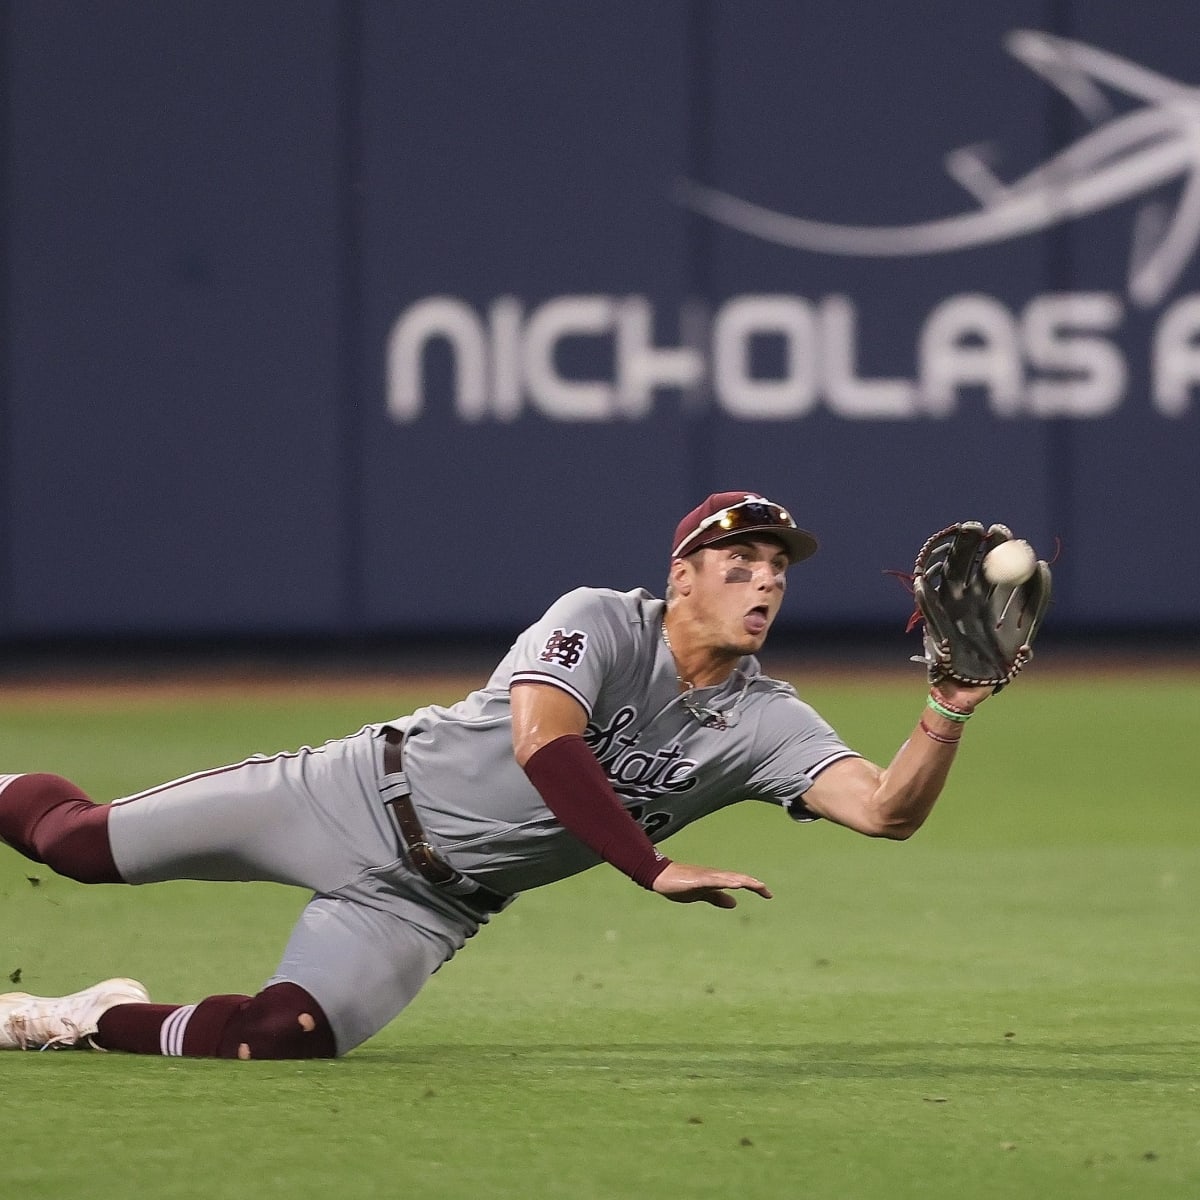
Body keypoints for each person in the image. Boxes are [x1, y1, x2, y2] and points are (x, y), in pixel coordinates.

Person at [0, 491, 992, 1059]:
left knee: (284, 1037)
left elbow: (884, 809)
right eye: (740, 559)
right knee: (75, 844)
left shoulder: (765, 719)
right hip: (348, 795)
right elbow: (544, 742)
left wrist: (943, 709)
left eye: (778, 566)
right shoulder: (597, 617)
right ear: (683, 574)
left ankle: (76, 1018)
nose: (766, 578)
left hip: (430, 907)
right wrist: (648, 867)